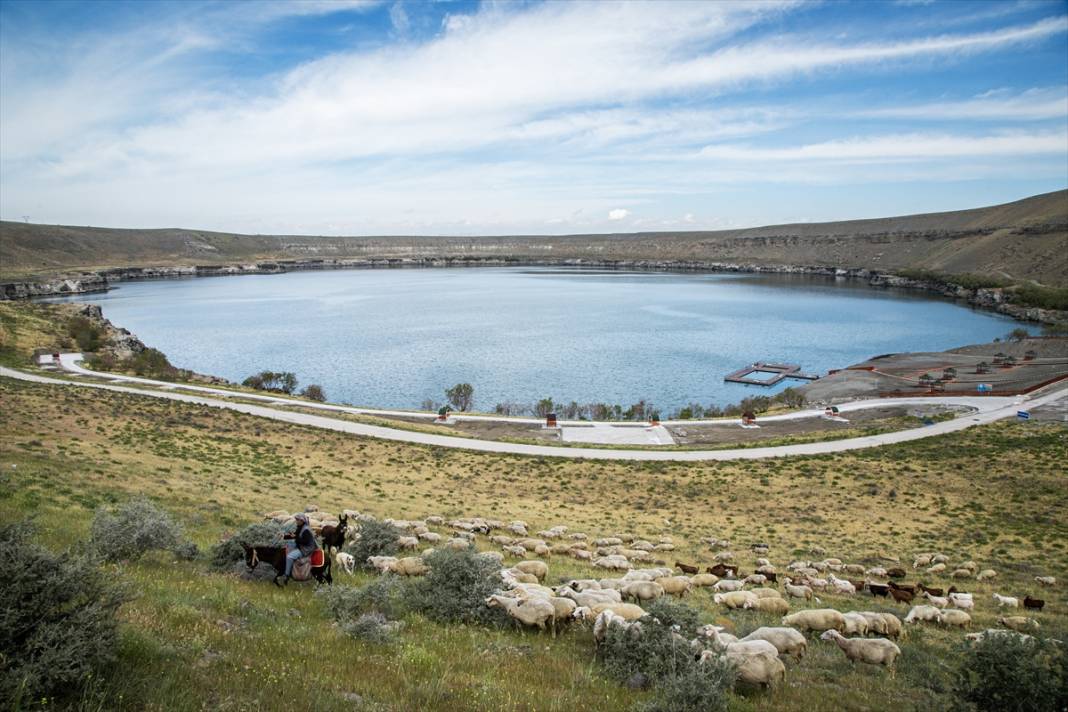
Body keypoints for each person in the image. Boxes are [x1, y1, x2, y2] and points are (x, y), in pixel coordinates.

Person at [283, 513, 318, 580]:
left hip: (306, 549)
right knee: (289, 544)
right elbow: (295, 535)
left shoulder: (306, 530)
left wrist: (296, 538)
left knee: (289, 557)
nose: (296, 521)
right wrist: (284, 536)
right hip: (302, 545)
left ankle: (287, 575)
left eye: (297, 520)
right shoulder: (301, 527)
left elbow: (305, 541)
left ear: (301, 521)